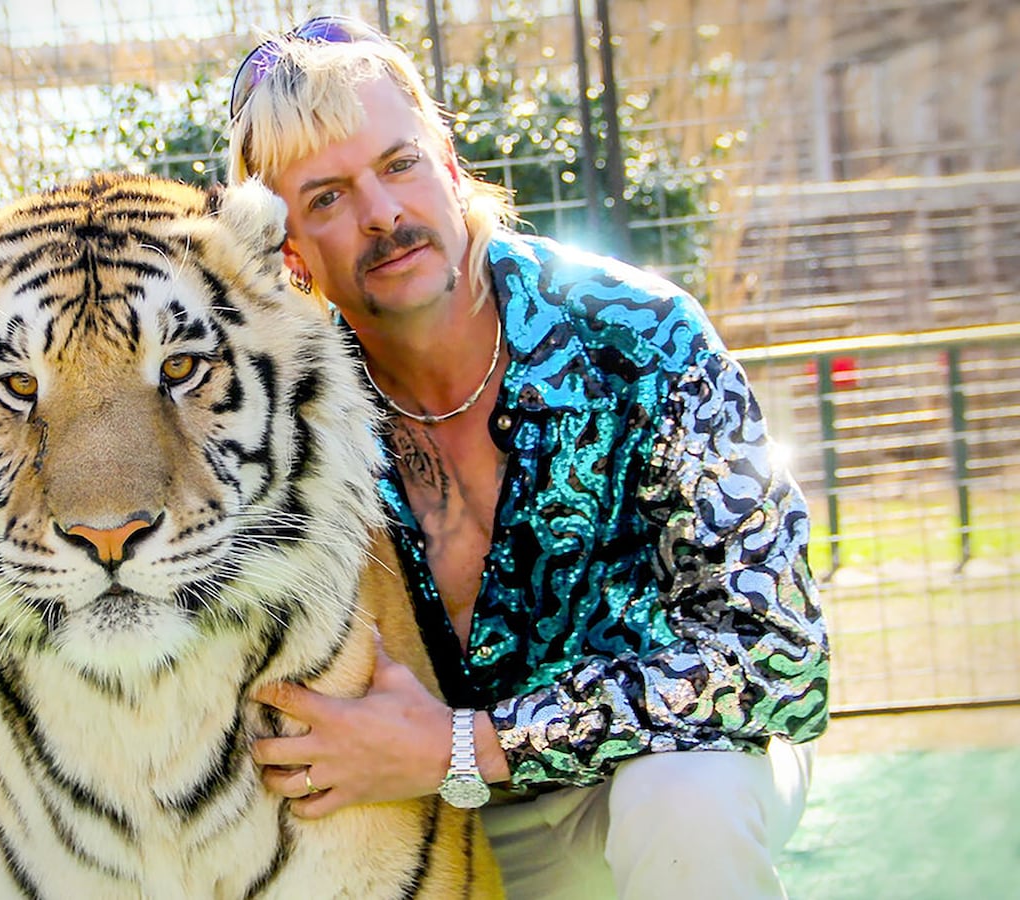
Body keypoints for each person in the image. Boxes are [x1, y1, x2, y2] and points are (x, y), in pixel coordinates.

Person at [225, 15, 830, 900]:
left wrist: (467, 745)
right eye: (328, 198)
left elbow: (778, 654)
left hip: (652, 775)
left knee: (685, 803)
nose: (384, 214)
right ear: (291, 256)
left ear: (448, 161)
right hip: (431, 816)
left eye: (400, 165)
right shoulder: (286, 420)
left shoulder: (641, 337)